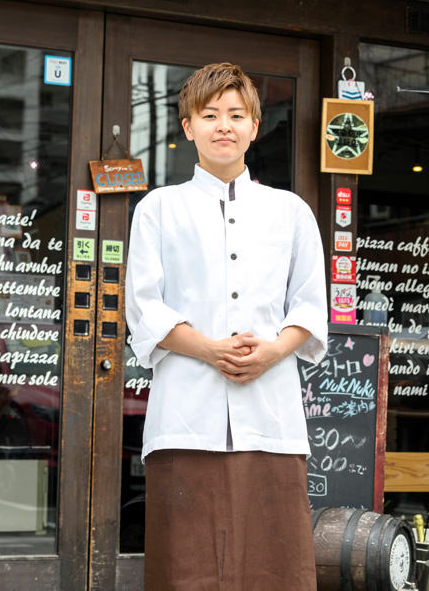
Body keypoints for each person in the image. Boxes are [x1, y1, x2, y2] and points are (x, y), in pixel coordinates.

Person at [126, 62, 328, 590]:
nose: (224, 126)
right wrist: (211, 350)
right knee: (185, 564)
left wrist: (271, 352)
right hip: (185, 415)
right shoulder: (158, 209)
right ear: (188, 126)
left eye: (236, 115)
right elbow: (145, 306)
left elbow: (308, 306)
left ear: (254, 126)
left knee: (275, 564)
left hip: (271, 415)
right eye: (209, 114)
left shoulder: (290, 211)